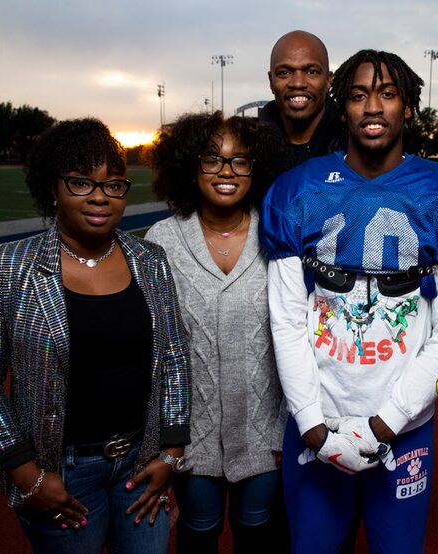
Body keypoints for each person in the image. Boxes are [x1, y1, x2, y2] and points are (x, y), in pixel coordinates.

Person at [260, 49, 438, 553]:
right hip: (317, 420)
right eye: (359, 95)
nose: (373, 107)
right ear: (343, 108)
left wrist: (385, 423)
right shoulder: (298, 190)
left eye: (388, 94)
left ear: (408, 107)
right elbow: (287, 324)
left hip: (404, 427)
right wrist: (315, 428)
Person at [0, 118, 191, 554]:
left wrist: (171, 453)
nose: (100, 196)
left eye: (114, 185)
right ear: (53, 188)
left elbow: (174, 356)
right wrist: (27, 473)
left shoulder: (150, 261)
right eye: (81, 182)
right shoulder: (7, 268)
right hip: (60, 471)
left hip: (140, 464)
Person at [146, 112, 287, 553]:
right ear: (190, 166)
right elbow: (153, 350)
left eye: (240, 161)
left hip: (266, 432)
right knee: (199, 531)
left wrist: (288, 426)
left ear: (255, 169)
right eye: (212, 159)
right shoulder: (161, 240)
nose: (227, 172)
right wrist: (162, 439)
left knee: (256, 529)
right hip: (191, 437)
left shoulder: (278, 233)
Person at [259, 30, 342, 170]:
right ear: (271, 81)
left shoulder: (352, 145)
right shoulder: (249, 148)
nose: (298, 83)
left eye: (311, 72)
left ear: (328, 80)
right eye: (284, 73)